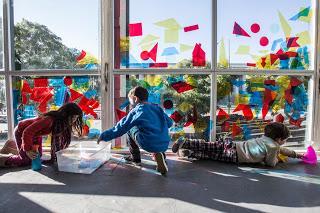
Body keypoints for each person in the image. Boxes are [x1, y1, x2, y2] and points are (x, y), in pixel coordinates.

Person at [98, 86, 173, 175]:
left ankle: (135, 158)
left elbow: (121, 128)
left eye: (130, 100)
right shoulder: (157, 108)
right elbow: (169, 123)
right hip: (164, 144)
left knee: (130, 128)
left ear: (135, 99)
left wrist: (103, 136)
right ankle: (161, 156)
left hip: (148, 143)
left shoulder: (137, 110)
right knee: (159, 128)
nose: (130, 103)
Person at [172, 122, 303, 167]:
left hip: (233, 145)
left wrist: (297, 155)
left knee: (208, 145)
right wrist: (277, 159)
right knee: (210, 155)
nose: (284, 142)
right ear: (279, 139)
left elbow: (282, 150)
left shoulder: (265, 139)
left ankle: (186, 143)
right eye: (284, 139)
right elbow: (270, 163)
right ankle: (191, 153)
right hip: (235, 156)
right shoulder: (273, 147)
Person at [0, 102, 83, 168]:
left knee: (37, 156)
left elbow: (59, 142)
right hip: (21, 131)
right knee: (26, 160)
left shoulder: (61, 124)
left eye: (76, 118)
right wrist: (27, 150)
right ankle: (3, 159)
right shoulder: (49, 120)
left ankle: (11, 146)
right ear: (65, 115)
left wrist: (58, 156)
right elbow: (27, 132)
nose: (74, 120)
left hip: (36, 134)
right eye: (73, 117)